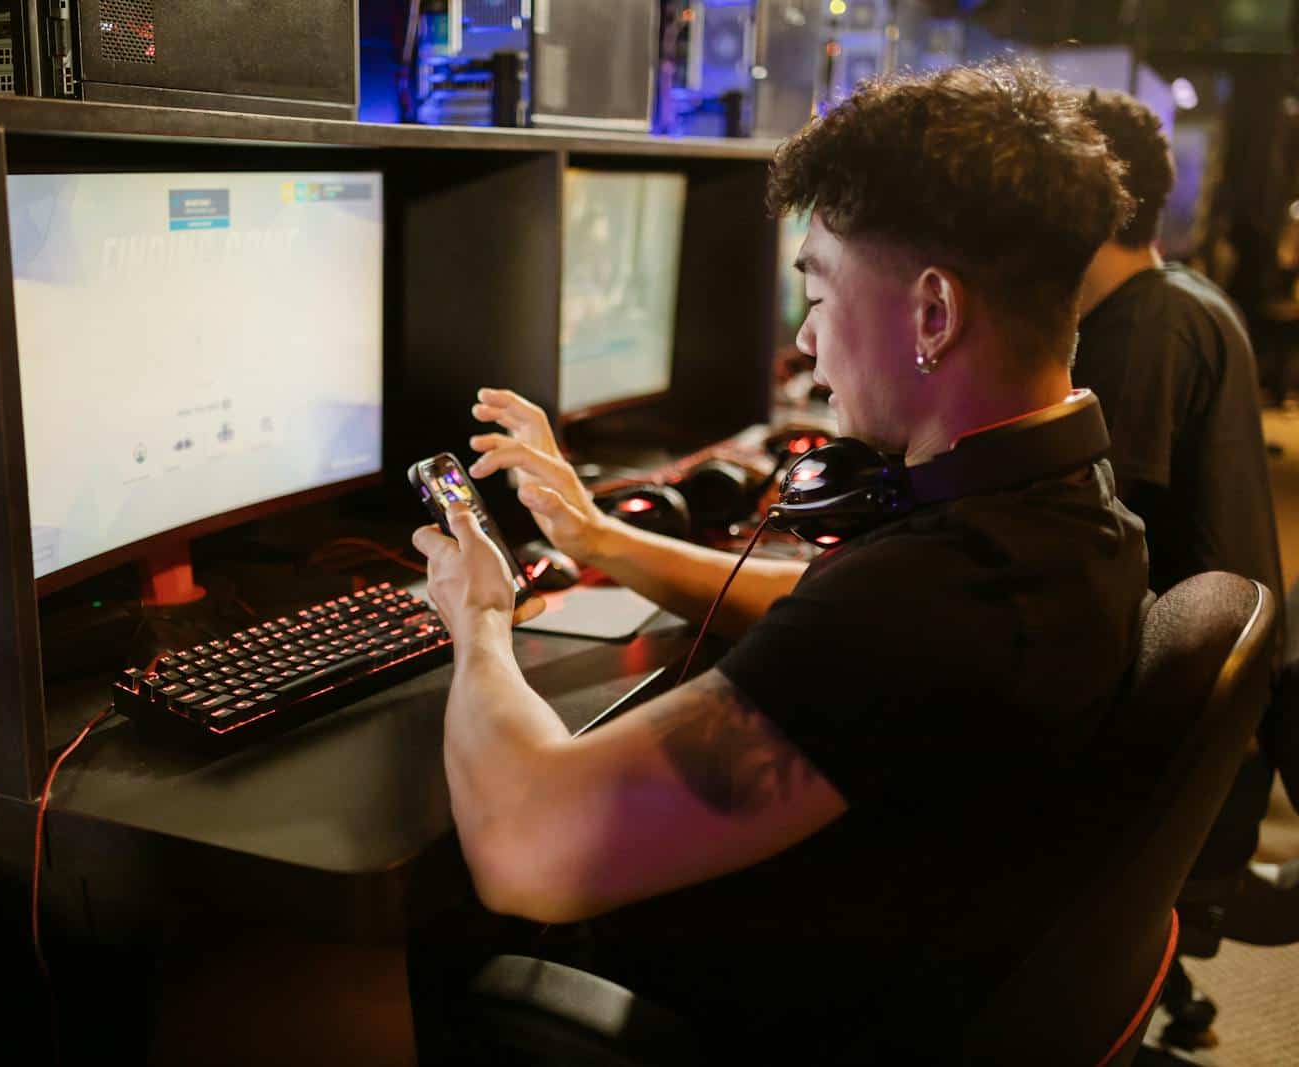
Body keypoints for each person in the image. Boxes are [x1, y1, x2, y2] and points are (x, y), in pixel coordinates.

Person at [409, 62, 1148, 1062]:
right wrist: (596, 535)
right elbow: (817, 604)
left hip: (735, 1013)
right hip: (885, 960)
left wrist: (479, 617)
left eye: (820, 289)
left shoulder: (934, 599)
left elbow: (527, 847)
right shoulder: (1062, 513)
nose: (804, 341)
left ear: (933, 313)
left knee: (368, 927)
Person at [1072, 88, 1289, 872]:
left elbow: (1087, 552)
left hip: (1179, 743)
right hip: (1217, 724)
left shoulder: (1139, 332)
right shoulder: (1181, 298)